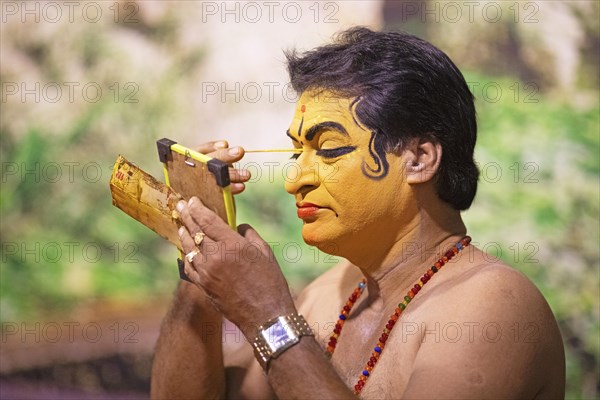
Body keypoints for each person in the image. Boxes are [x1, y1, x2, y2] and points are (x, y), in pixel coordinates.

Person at [150, 27, 565, 399]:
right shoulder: (330, 294)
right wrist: (198, 260)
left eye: (328, 149)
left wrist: (268, 315)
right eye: (298, 152)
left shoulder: (493, 306)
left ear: (419, 159)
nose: (295, 180)